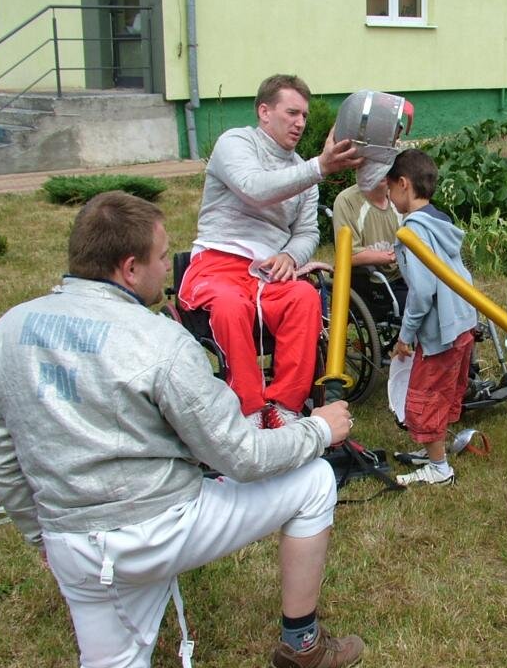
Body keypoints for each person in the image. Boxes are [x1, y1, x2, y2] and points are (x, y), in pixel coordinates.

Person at [0, 192, 362, 668]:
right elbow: (241, 455)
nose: (167, 269)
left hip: (74, 546)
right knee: (315, 480)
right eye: (161, 257)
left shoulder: (7, 330)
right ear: (129, 268)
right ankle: (303, 642)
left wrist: (42, 536)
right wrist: (319, 430)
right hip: (160, 528)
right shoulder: (161, 340)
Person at [179, 74, 363, 430]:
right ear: (264, 112)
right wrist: (320, 167)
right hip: (218, 264)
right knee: (231, 306)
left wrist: (291, 256)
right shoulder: (236, 143)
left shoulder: (303, 171)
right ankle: (249, 410)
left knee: (305, 298)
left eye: (304, 115)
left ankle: (284, 408)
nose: (300, 123)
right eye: (292, 113)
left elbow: (307, 232)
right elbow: (254, 188)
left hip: (267, 274)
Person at [388, 149, 477, 487]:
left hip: (441, 330)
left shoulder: (413, 231)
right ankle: (432, 453)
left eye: (389, 189)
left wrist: (406, 335)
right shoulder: (439, 220)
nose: (389, 197)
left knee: (426, 395)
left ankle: (439, 469)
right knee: (443, 392)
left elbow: (422, 291)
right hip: (462, 321)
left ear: (403, 184)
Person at [331, 181, 407, 321]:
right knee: (420, 307)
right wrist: (392, 256)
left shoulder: (401, 194)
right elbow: (349, 255)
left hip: (402, 277)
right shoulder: (347, 200)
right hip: (369, 283)